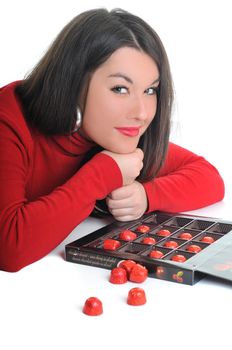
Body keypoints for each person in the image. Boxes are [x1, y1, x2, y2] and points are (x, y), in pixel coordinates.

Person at [0, 8, 224, 272]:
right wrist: (104, 173)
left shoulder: (110, 132)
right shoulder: (9, 117)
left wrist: (144, 196)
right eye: (120, 89)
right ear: (73, 83)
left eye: (150, 90)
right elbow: (9, 250)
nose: (141, 113)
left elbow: (209, 178)